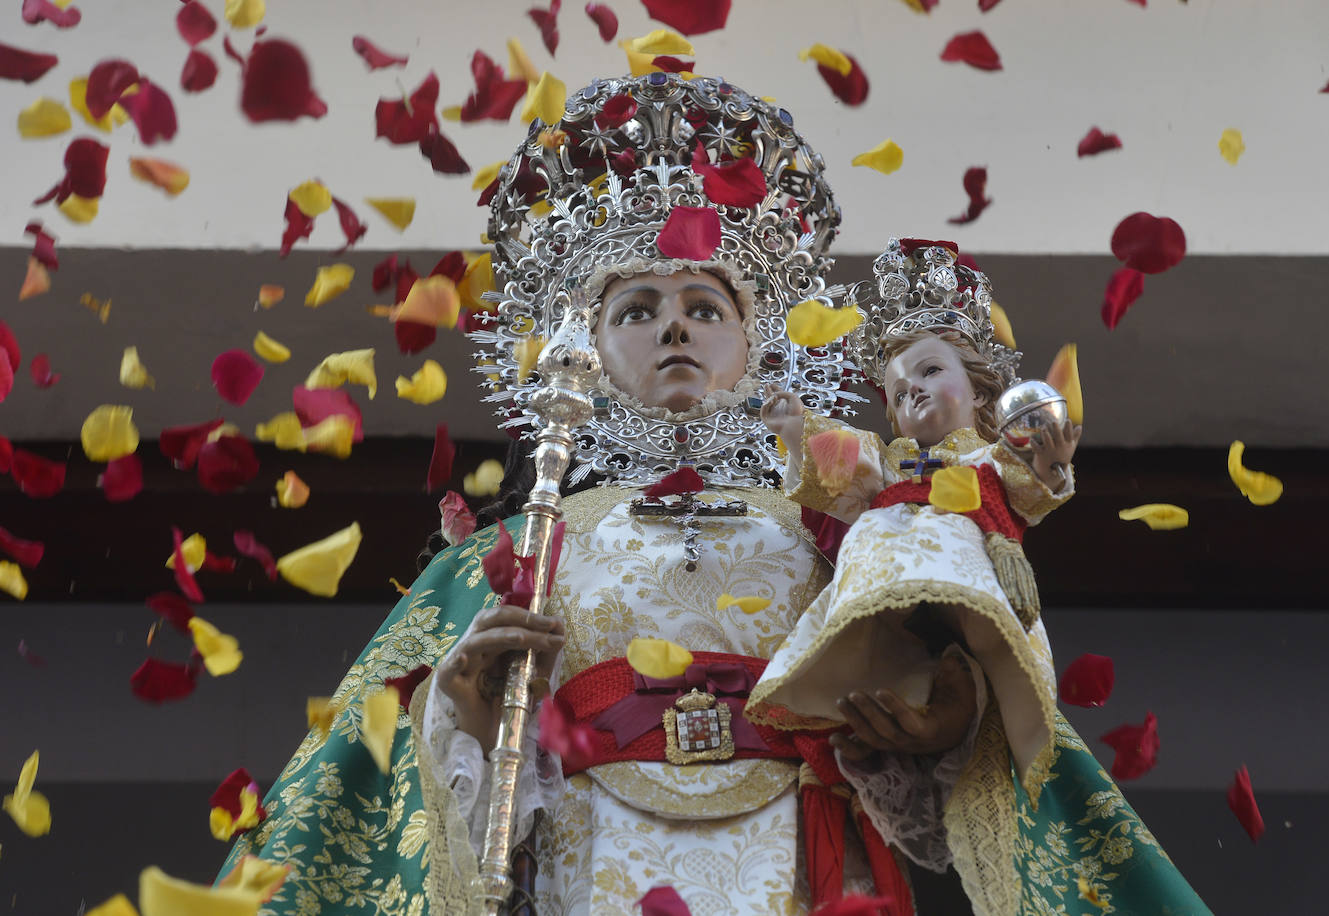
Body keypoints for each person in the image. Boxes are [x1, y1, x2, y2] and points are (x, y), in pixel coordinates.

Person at [221, 74, 963, 916]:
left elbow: (947, 715)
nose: (674, 327)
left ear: (757, 349)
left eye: (705, 307)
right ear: (587, 353)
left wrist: (941, 723)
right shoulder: (525, 547)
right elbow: (396, 795)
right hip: (594, 859)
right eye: (638, 309)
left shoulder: (834, 528)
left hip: (803, 854)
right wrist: (462, 706)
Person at [748, 239, 1210, 915]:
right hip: (886, 593)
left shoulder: (989, 461)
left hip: (974, 581)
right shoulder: (890, 462)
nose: (912, 391)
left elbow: (1032, 486)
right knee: (874, 657)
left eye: (930, 370)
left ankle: (979, 683)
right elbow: (840, 463)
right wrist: (796, 431)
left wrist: (1050, 464)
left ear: (982, 387)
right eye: (899, 388)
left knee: (991, 657)